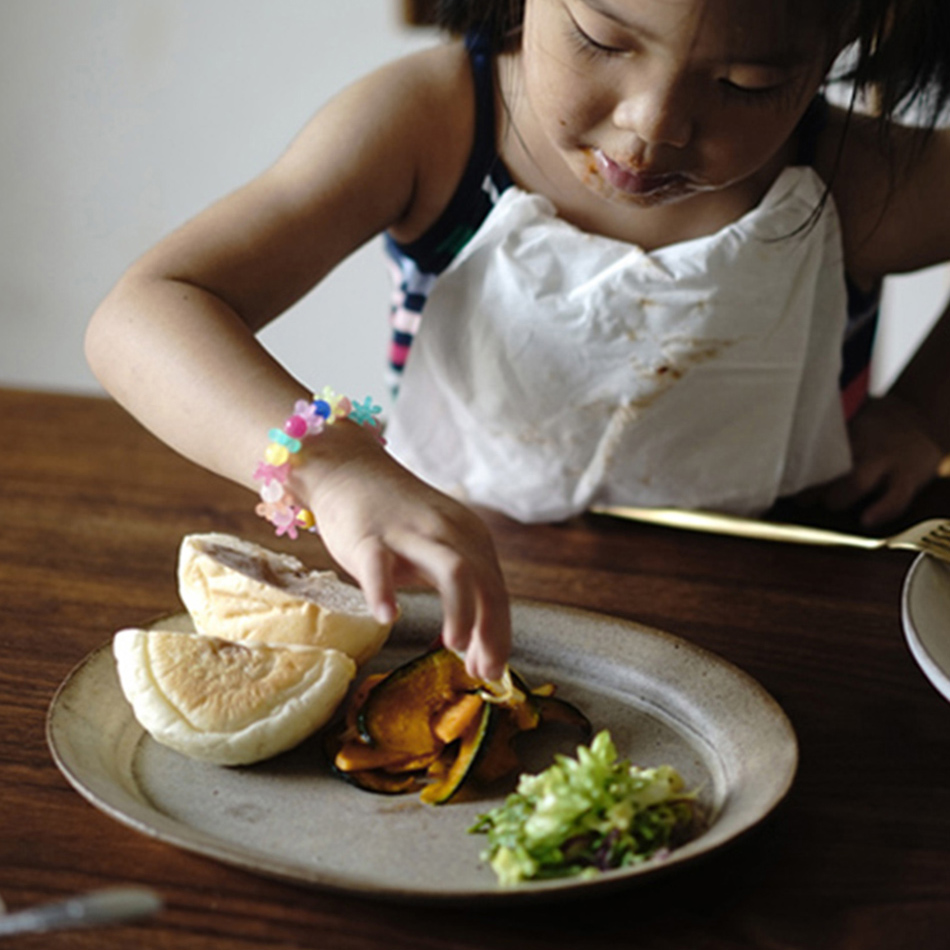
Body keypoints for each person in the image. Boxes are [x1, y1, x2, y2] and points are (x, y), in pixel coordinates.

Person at [86, 0, 950, 682]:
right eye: (603, 39)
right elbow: (142, 315)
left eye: (749, 82)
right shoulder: (433, 124)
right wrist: (339, 467)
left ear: (843, 38)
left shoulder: (852, 176)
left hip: (780, 609)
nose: (654, 124)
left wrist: (924, 413)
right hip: (465, 580)